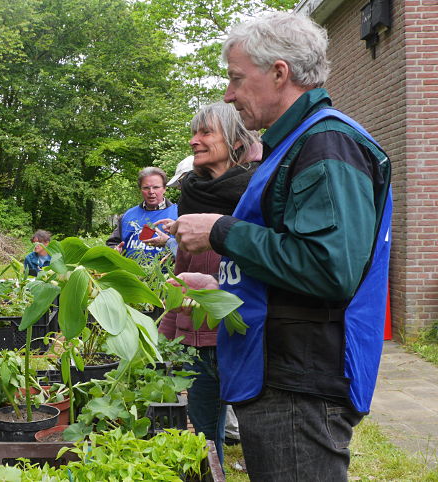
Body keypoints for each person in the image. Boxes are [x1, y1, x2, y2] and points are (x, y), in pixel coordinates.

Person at [164, 12, 392, 481]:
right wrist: (225, 280)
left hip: (299, 379)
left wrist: (220, 232)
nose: (229, 94)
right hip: (279, 373)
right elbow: (291, 252)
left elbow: (329, 267)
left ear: (280, 72)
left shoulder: (327, 145)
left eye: (236, 79)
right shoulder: (296, 145)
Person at [156, 102, 261, 466]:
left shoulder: (257, 195)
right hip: (199, 341)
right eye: (193, 132)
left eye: (205, 133)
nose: (193, 141)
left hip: (245, 334)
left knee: (255, 425)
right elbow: (181, 272)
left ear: (234, 140)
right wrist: (166, 331)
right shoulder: (191, 195)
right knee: (203, 428)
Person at [105, 167, 178, 260]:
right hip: (131, 273)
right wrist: (114, 251)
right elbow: (112, 243)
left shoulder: (179, 214)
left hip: (166, 273)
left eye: (156, 187)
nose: (151, 192)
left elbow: (189, 251)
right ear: (140, 189)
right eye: (146, 188)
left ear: (164, 189)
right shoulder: (128, 215)